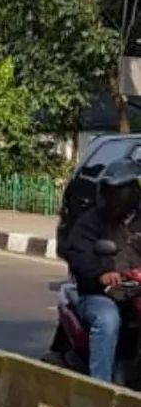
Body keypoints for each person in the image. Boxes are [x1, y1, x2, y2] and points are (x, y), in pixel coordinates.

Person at [63, 158, 141, 383]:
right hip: (99, 294)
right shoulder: (92, 222)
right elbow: (78, 253)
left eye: (121, 191)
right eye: (113, 191)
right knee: (108, 320)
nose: (117, 197)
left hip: (135, 293)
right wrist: (100, 273)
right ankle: (101, 387)